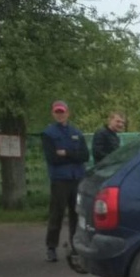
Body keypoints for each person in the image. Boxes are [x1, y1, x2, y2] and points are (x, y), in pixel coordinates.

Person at [41, 100, 89, 262]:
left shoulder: (76, 132)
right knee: (57, 214)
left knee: (76, 213)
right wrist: (72, 156)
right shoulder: (48, 134)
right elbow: (53, 158)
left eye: (62, 112)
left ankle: (75, 246)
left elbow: (85, 156)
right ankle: (51, 247)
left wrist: (66, 153)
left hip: (77, 178)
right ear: (53, 114)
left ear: (68, 113)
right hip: (60, 180)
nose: (60, 115)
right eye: (57, 112)